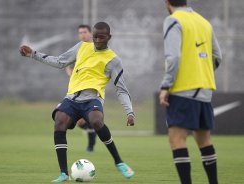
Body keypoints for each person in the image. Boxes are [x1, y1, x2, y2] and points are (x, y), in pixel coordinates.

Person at [20, 22, 135, 182]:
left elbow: (121, 89)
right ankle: (63, 174)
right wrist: (33, 54)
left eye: (101, 37)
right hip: (72, 98)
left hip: (92, 99)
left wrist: (129, 112)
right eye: (94, 36)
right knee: (59, 121)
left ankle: (119, 162)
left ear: (109, 37)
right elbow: (60, 61)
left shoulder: (113, 60)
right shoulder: (82, 46)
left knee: (96, 121)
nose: (97, 40)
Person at [159, 0, 222, 184]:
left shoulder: (173, 20)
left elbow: (173, 57)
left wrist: (165, 86)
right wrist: (201, 72)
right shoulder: (204, 21)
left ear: (167, 2)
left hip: (183, 90)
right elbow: (217, 56)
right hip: (204, 90)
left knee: (176, 140)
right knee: (204, 141)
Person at [65, 24, 97, 153]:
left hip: (91, 91)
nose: (82, 35)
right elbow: (68, 64)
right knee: (80, 122)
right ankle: (92, 132)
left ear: (90, 33)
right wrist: (70, 72)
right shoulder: (77, 49)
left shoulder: (97, 48)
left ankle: (91, 142)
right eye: (80, 33)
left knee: (87, 120)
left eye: (84, 32)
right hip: (76, 89)